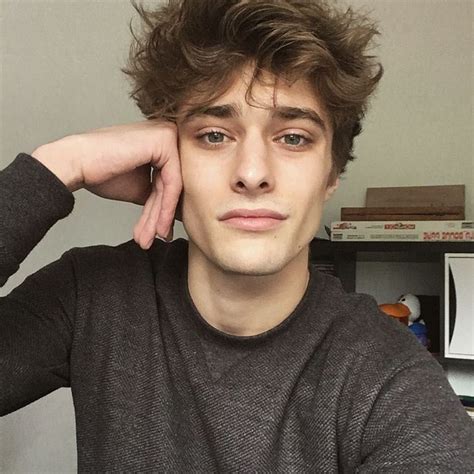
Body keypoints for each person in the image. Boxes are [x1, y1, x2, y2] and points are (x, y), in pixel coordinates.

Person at [1, 0, 473, 471]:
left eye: (293, 137)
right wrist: (59, 166)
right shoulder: (93, 296)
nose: (251, 173)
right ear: (167, 157)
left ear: (331, 174)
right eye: (213, 135)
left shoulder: (388, 378)